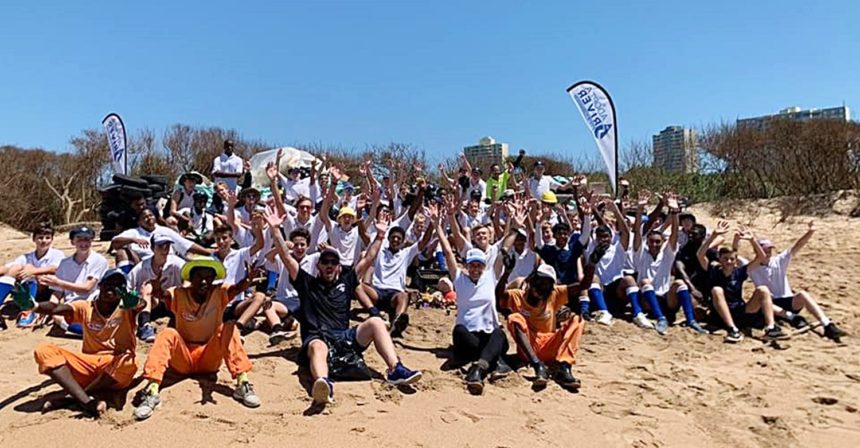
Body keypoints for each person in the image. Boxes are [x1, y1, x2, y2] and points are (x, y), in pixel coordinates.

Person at [265, 209, 422, 407]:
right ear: (318, 266)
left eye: (333, 262)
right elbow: (287, 258)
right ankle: (324, 383)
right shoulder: (307, 283)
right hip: (318, 338)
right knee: (317, 345)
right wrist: (275, 229)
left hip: (344, 338)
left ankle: (395, 369)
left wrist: (381, 235)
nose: (329, 266)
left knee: (375, 322)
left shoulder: (347, 281)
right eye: (325, 262)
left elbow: (369, 258)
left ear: (339, 267)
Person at [134, 257, 262, 420]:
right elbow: (163, 295)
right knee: (167, 333)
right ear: (191, 279)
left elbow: (236, 289)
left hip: (209, 356)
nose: (204, 281)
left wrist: (248, 280)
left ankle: (242, 383)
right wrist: (157, 287)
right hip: (183, 357)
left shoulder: (219, 292)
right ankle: (152, 390)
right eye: (199, 277)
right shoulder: (179, 294)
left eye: (208, 277)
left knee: (228, 328)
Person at [25, 269, 141, 417]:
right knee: (44, 350)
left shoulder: (127, 308)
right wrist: (34, 306)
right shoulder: (86, 307)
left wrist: (135, 301)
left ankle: (75, 398)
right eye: (109, 284)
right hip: (89, 365)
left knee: (129, 361)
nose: (112, 288)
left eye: (118, 285)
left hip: (117, 368)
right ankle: (87, 401)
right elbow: (57, 308)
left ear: (124, 290)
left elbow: (140, 305)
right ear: (100, 286)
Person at [434, 201, 519, 395]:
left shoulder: (490, 276)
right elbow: (448, 252)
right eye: (472, 265)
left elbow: (503, 249)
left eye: (479, 265)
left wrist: (515, 228)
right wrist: (438, 225)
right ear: (467, 265)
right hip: (468, 339)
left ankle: (479, 368)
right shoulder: (459, 278)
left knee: (499, 334)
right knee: (460, 331)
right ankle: (492, 361)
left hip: (488, 333)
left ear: (483, 266)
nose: (475, 269)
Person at [496, 247, 602, 390]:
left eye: (546, 285)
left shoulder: (555, 294)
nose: (542, 288)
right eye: (540, 282)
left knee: (577, 320)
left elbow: (583, 285)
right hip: (529, 346)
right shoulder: (517, 296)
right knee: (515, 318)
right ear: (532, 281)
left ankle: (564, 367)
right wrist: (506, 273)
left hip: (550, 344)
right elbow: (498, 297)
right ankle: (537, 365)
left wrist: (591, 264)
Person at [745, 221, 844, 342]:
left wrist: (810, 231)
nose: (768, 252)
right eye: (765, 250)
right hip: (769, 304)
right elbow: (734, 259)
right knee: (765, 301)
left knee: (802, 295)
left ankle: (827, 325)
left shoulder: (779, 260)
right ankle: (792, 318)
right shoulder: (751, 267)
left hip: (787, 301)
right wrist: (744, 240)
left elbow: (798, 245)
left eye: (770, 249)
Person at [698, 221, 786, 343]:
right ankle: (732, 329)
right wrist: (713, 235)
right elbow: (700, 255)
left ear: (735, 261)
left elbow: (761, 258)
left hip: (741, 311)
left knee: (763, 289)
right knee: (717, 290)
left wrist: (752, 240)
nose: (729, 261)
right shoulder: (714, 270)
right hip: (721, 315)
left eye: (731, 259)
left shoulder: (739, 272)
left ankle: (771, 328)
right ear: (720, 259)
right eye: (725, 259)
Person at [363, 219, 436, 338]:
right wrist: (362, 218)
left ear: (403, 241)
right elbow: (364, 236)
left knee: (404, 295)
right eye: (393, 237)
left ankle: (397, 321)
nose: (395, 240)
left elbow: (424, 242)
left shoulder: (406, 253)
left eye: (398, 238)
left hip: (394, 295)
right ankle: (373, 312)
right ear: (389, 239)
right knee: (359, 287)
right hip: (377, 292)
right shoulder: (380, 251)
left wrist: (432, 222)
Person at [630, 191, 685, 335]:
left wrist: (674, 211)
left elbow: (674, 233)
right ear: (647, 241)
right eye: (651, 241)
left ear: (662, 242)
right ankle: (660, 318)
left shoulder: (667, 254)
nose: (654, 244)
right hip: (647, 299)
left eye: (657, 242)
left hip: (665, 298)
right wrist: (640, 209)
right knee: (645, 282)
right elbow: (636, 232)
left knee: (680, 284)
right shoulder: (640, 253)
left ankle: (691, 321)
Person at [40, 226, 109, 336]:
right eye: (79, 239)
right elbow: (58, 292)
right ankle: (82, 331)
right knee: (56, 315)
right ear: (73, 242)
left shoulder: (99, 260)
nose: (83, 243)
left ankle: (85, 331)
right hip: (71, 305)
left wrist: (58, 282)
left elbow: (87, 288)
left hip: (92, 303)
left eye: (87, 239)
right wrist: (51, 307)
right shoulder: (64, 263)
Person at [0, 221, 65, 328]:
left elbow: (56, 268)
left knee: (28, 268)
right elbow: (8, 268)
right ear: (34, 239)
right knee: (15, 268)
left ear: (52, 239)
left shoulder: (57, 254)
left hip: (46, 291)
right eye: (40, 237)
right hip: (26, 288)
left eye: (47, 238)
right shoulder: (27, 256)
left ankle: (28, 311)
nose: (44, 241)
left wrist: (33, 271)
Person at [128, 234, 185, 342]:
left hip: (173, 302)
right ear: (152, 248)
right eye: (160, 246)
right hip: (153, 304)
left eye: (167, 246)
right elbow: (128, 286)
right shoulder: (142, 267)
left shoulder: (176, 263)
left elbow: (189, 278)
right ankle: (144, 324)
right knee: (148, 287)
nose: (164, 250)